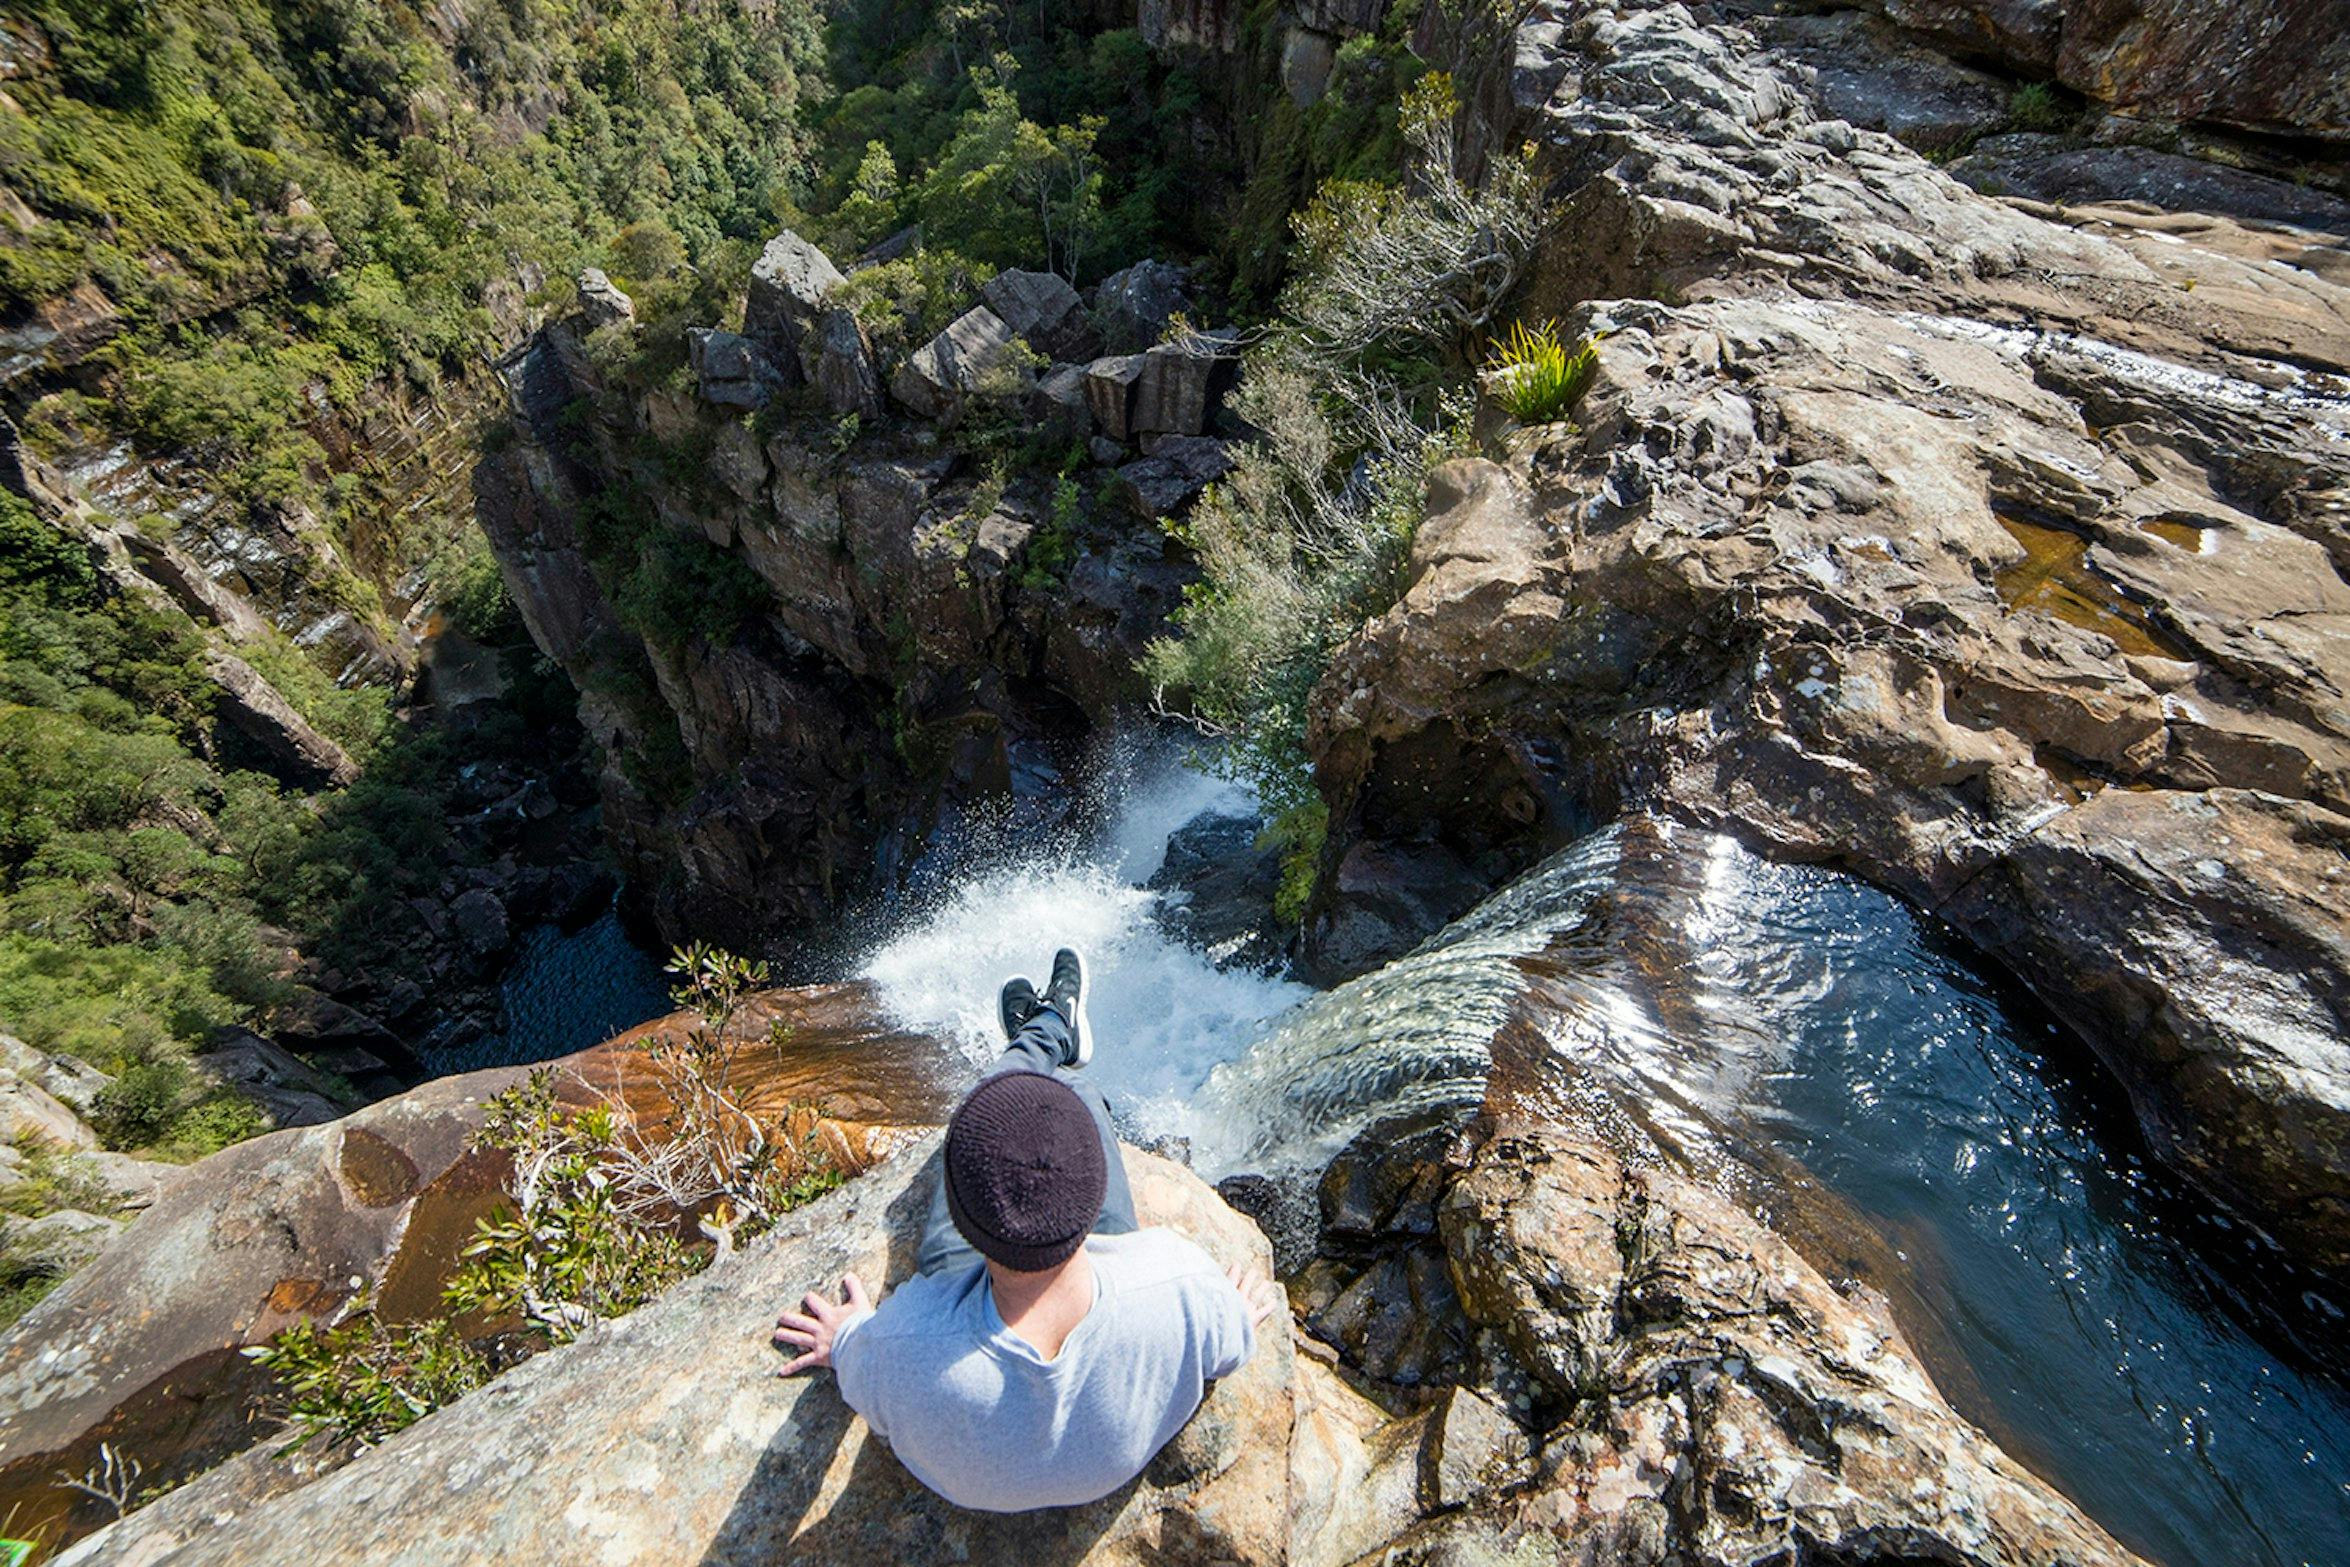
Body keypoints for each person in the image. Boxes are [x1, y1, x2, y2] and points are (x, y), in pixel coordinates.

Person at [773, 947, 1284, 1512]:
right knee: (1079, 1095)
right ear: (1099, 1196)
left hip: (974, 1481)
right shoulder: (1181, 1284)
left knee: (986, 1102)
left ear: (959, 1220)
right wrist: (1233, 1306)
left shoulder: (904, 1342)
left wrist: (842, 1337)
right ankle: (1051, 1038)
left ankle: (1042, 1036)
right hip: (1113, 1469)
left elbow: (853, 1356)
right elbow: (1232, 1339)